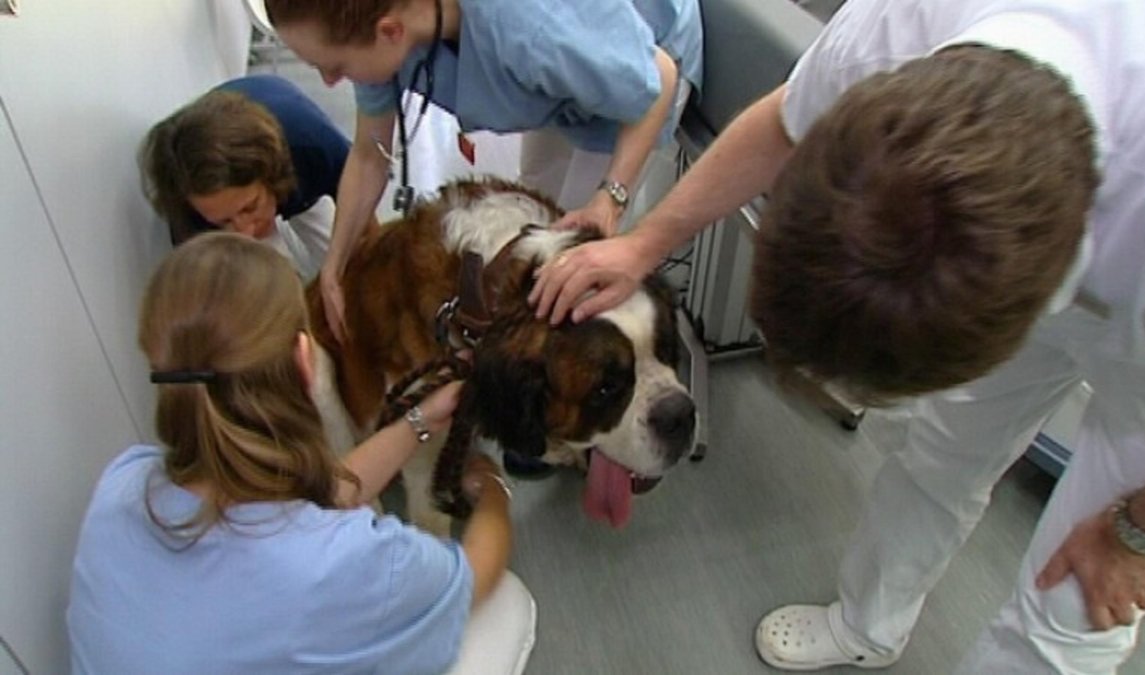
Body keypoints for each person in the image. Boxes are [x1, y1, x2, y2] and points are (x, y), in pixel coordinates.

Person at [531, 0, 1145, 671]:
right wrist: (643, 243)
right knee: (942, 453)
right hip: (1074, 240)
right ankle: (868, 625)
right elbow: (783, 123)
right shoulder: (904, 25)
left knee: (1078, 600)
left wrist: (1140, 532)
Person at [67, 233, 534, 674]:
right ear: (304, 359)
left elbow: (314, 505)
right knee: (506, 604)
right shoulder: (357, 561)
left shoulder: (122, 483)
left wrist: (421, 419)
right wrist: (493, 489)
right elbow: (471, 576)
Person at [260, 0, 702, 345]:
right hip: (567, 80)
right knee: (536, 231)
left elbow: (656, 80)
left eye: (335, 67)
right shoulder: (376, 18)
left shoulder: (531, 29)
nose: (330, 80)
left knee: (577, 262)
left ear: (390, 33)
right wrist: (335, 265)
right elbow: (369, 153)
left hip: (642, 70)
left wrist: (611, 197)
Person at [139, 74, 378, 281]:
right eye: (223, 221)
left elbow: (364, 215)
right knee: (274, 288)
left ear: (272, 175)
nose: (245, 233)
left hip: (301, 170)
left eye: (249, 207)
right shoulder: (189, 212)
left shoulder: (313, 145)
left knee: (354, 269)